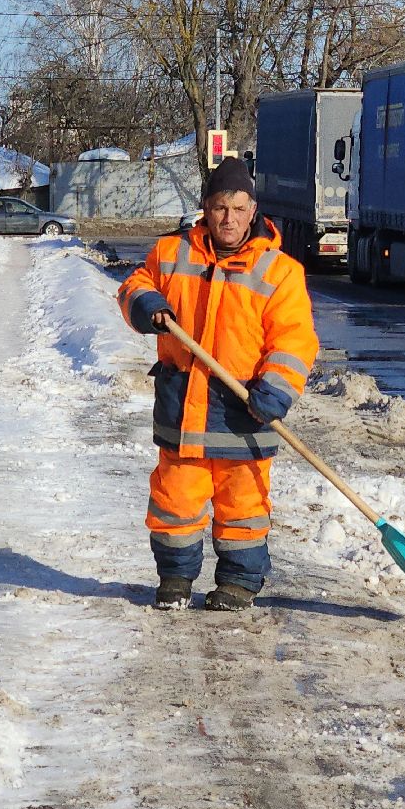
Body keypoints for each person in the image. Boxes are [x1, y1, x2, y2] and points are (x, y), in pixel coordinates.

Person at [118, 156, 319, 611]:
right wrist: (147, 301)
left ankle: (238, 584)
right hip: (184, 407)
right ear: (206, 208)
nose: (229, 218)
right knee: (176, 503)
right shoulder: (173, 253)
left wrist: (277, 389)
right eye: (220, 207)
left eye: (238, 208)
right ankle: (174, 580)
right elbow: (135, 283)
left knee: (243, 507)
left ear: (254, 211)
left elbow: (295, 340)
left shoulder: (280, 271)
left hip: (245, 407)